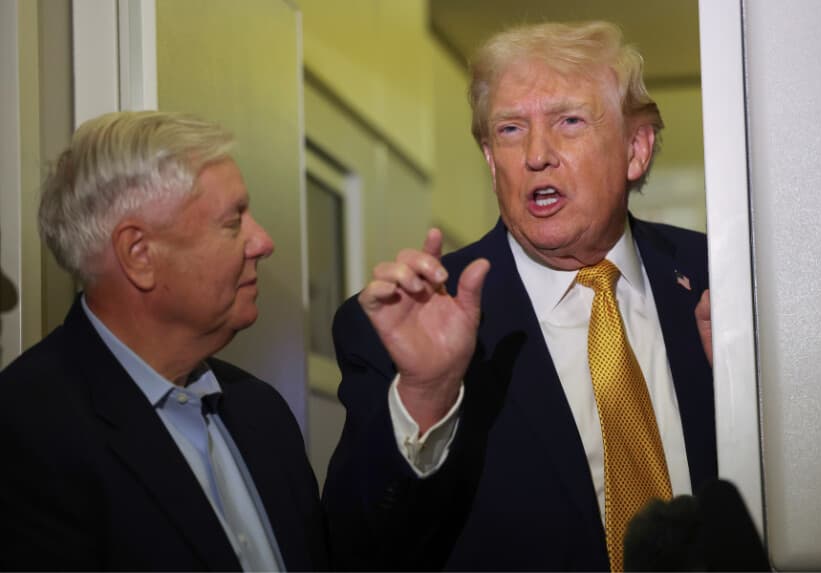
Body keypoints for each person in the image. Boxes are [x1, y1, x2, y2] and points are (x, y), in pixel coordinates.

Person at [324, 21, 715, 571]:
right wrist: (427, 394)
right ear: (489, 159)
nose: (536, 155)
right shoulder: (407, 320)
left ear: (635, 148)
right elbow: (359, 549)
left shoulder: (722, 280)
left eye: (569, 121)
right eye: (510, 130)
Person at [0, 111, 326, 571]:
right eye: (233, 223)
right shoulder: (28, 430)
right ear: (139, 255)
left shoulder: (261, 412)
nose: (263, 242)